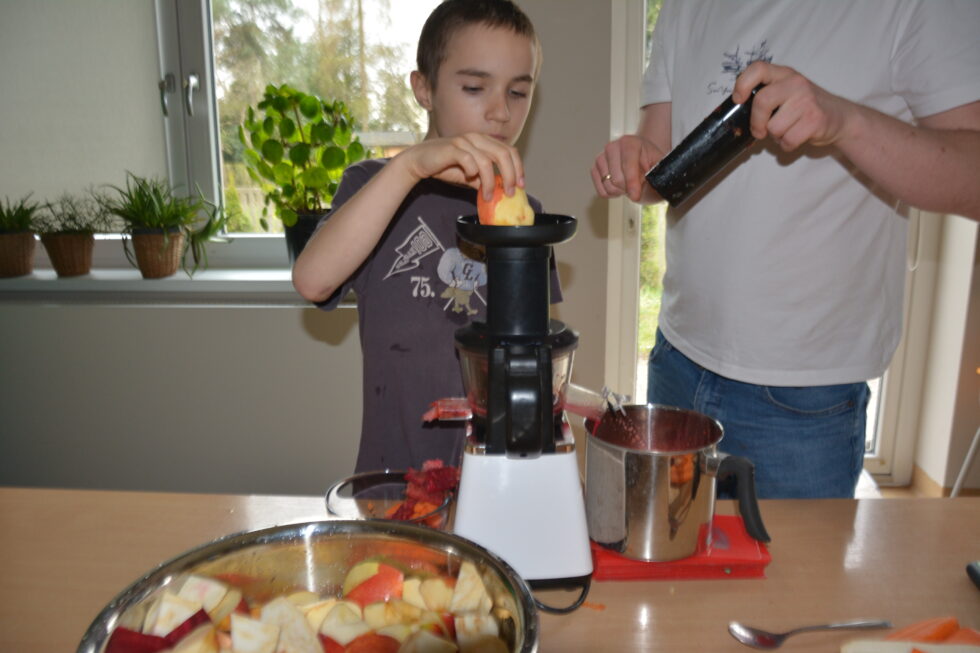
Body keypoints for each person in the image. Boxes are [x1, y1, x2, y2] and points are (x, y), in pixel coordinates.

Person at [592, 0, 980, 498]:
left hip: (805, 397)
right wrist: (634, 162)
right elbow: (661, 170)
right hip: (676, 357)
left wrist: (845, 122)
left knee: (797, 578)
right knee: (674, 570)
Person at [293, 0, 553, 473]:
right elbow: (313, 281)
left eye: (518, 92)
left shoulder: (526, 214)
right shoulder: (377, 187)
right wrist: (409, 166)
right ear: (424, 88)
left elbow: (537, 361)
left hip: (493, 478)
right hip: (392, 481)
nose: (499, 112)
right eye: (475, 87)